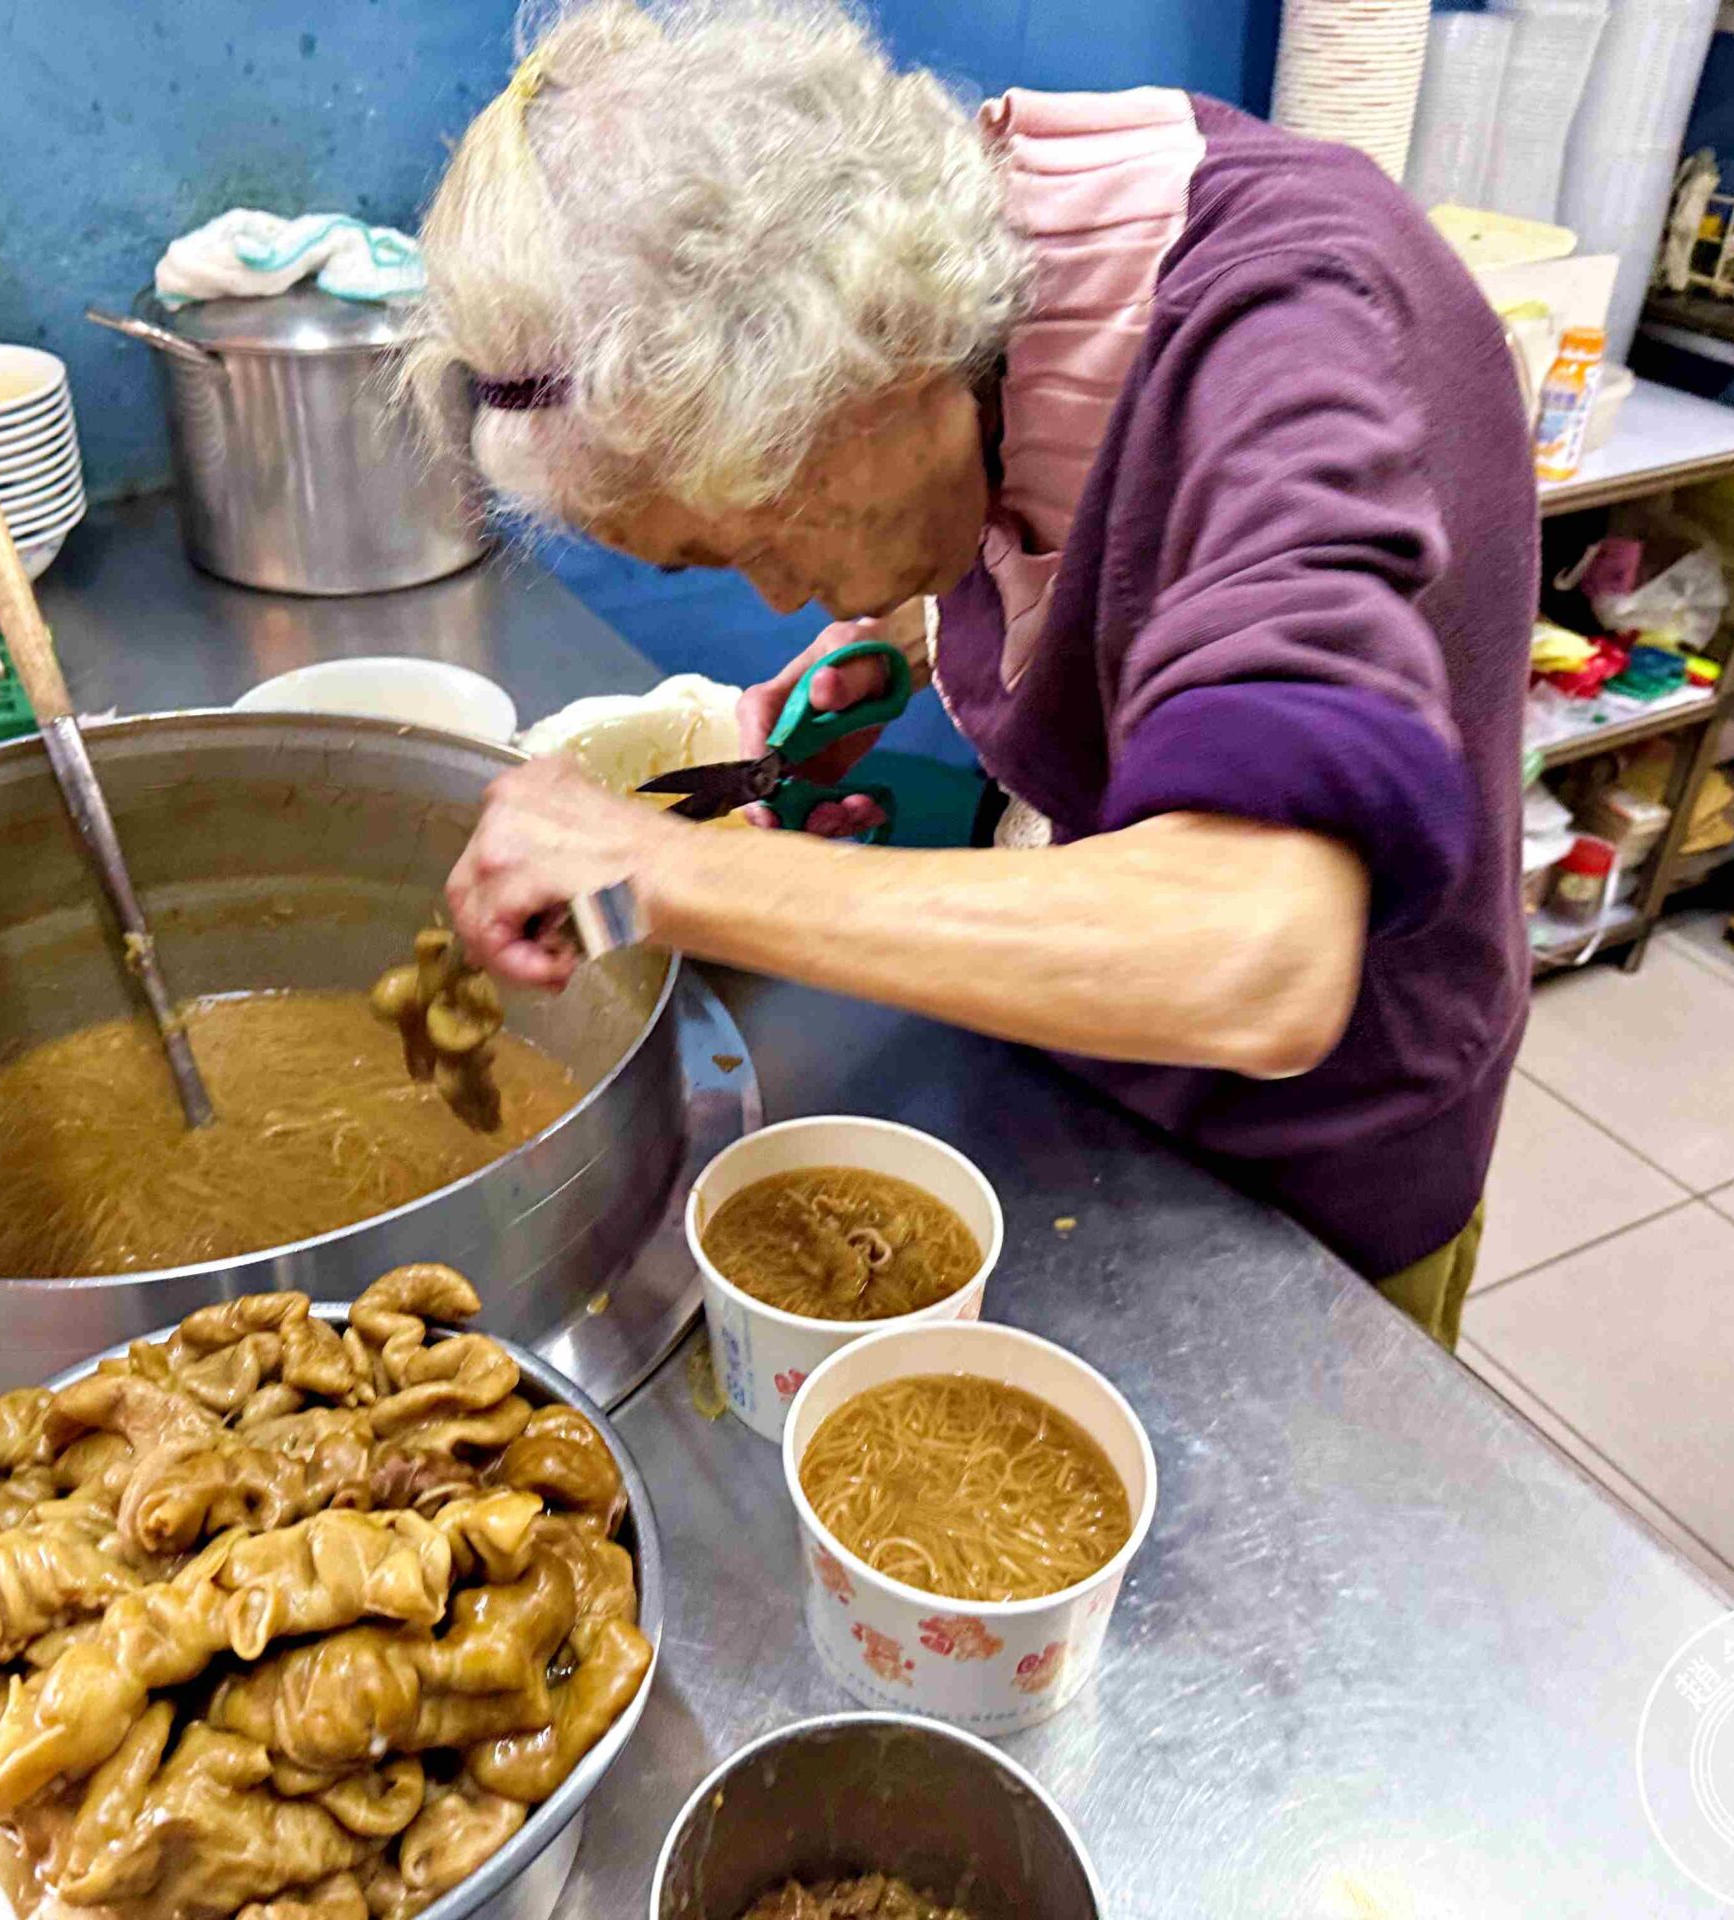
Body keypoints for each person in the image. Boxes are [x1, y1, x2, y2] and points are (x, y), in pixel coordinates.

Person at [407, 0, 1536, 1347]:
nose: (774, 594)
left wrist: (666, 874)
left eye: (763, 534)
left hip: (1314, 1172)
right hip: (1100, 1088)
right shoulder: (942, 247)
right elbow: (1065, 531)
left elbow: (1266, 947)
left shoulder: (1282, 337)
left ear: (874, 377)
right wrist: (898, 636)